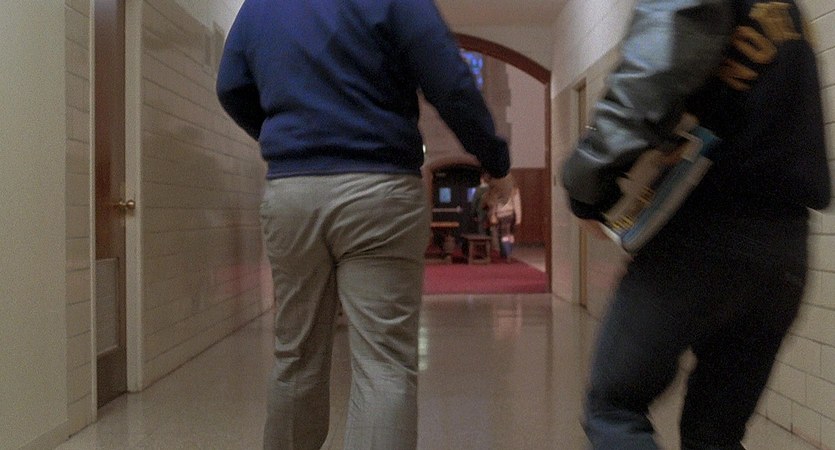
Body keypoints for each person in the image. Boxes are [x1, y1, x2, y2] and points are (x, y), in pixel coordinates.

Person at [216, 1, 513, 448]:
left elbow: (231, 86)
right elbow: (451, 84)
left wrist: (288, 138)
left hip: (292, 195)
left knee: (295, 356)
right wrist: (496, 163)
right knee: (383, 365)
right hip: (379, 189)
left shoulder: (260, 5)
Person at [561, 1, 831, 449]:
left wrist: (586, 185)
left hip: (700, 237)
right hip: (784, 250)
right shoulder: (791, 10)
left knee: (615, 409)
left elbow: (647, 82)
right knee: (716, 435)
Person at [490, 184, 521, 261]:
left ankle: (506, 253)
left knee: (503, 234)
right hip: (510, 214)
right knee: (509, 234)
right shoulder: (513, 189)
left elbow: (494, 204)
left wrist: (493, 214)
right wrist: (518, 218)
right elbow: (517, 204)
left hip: (500, 214)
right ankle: (508, 252)